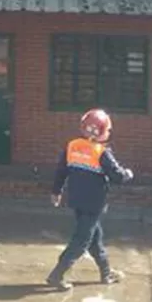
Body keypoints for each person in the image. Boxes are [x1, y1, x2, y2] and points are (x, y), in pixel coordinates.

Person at [46, 108, 133, 291]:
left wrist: (56, 191)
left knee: (95, 239)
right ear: (101, 131)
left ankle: (106, 272)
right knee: (81, 241)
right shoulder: (101, 152)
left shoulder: (72, 146)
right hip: (94, 203)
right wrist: (128, 174)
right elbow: (117, 176)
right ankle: (57, 274)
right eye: (108, 130)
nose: (109, 133)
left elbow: (61, 171)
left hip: (76, 200)